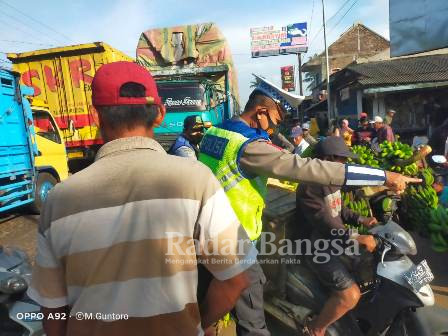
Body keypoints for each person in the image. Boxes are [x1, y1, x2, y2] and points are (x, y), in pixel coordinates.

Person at [28, 61, 256, 336]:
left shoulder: (59, 199)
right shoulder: (196, 179)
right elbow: (235, 279)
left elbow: (52, 309)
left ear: (97, 114)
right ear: (160, 113)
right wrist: (196, 324)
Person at [198, 74, 420, 336]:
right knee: (252, 317)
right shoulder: (248, 147)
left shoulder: (217, 132)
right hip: (233, 238)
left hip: (208, 230)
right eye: (274, 121)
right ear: (260, 113)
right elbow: (305, 168)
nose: (274, 130)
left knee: (211, 299)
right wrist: (385, 177)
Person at [296, 136, 379, 336]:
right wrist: (354, 237)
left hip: (334, 240)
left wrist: (361, 219)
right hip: (316, 247)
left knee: (370, 267)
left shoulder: (330, 180)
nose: (345, 164)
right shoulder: (309, 186)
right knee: (350, 296)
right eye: (342, 160)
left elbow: (338, 209)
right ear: (328, 158)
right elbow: (324, 221)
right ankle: (315, 328)